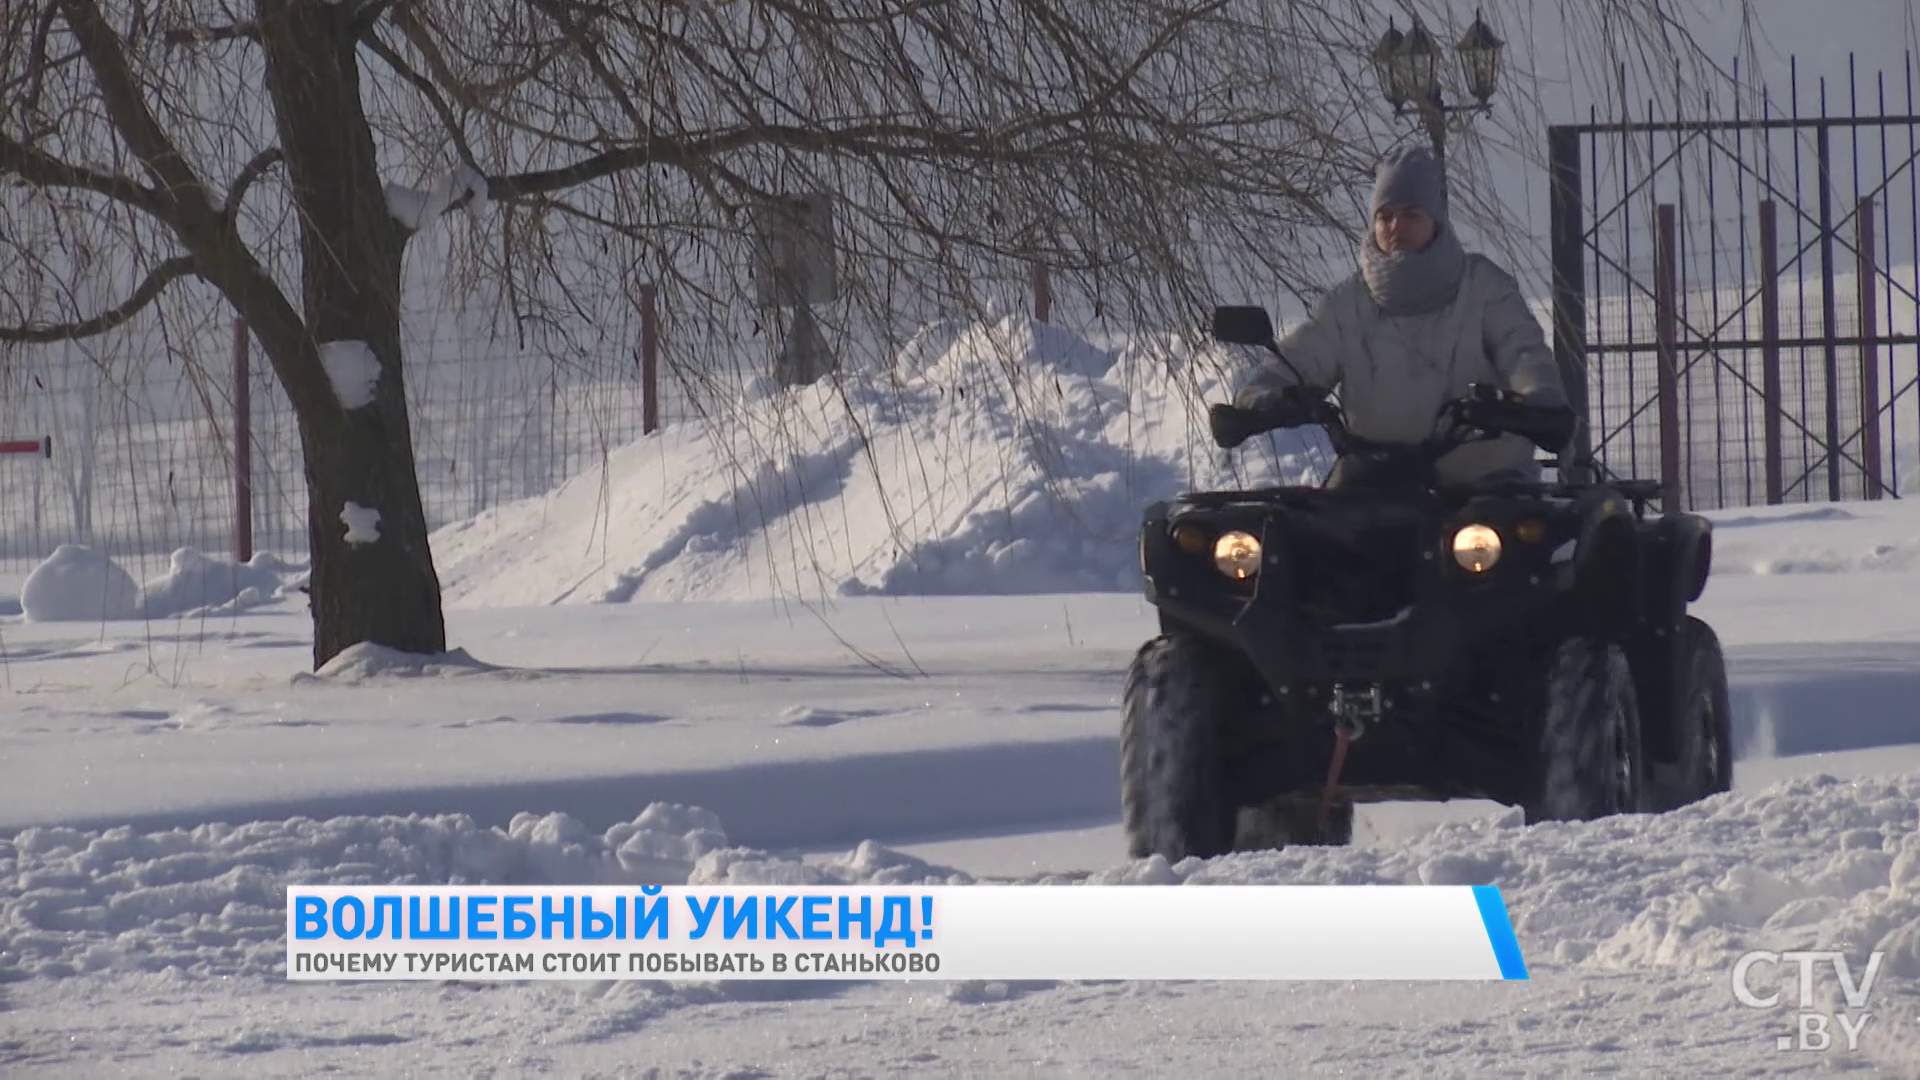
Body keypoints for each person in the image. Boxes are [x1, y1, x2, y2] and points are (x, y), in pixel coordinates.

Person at [1233, 145, 1574, 487]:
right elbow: (1301, 358)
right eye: (1385, 216)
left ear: (1436, 220)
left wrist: (1538, 399)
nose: (1396, 226)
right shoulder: (1347, 303)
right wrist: (1259, 401)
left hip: (1484, 487)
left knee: (1520, 531)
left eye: (1411, 214)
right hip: (1377, 485)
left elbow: (1523, 351)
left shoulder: (1484, 289)